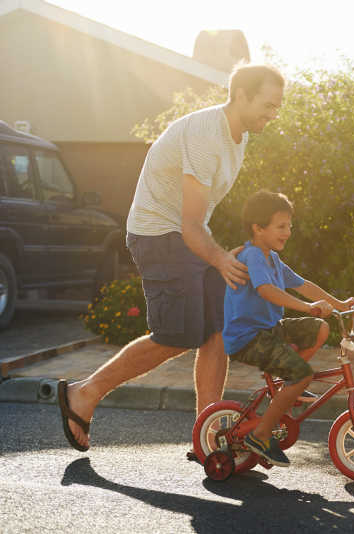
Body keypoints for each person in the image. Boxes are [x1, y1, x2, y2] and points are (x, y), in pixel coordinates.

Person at [57, 64, 285, 452]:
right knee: (177, 335)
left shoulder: (239, 137)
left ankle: (207, 436)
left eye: (278, 107)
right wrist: (217, 258)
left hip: (186, 237)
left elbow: (198, 220)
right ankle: (85, 393)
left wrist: (219, 255)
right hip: (157, 235)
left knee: (217, 327)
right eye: (268, 105)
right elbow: (190, 223)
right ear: (241, 95)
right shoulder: (205, 135)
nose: (273, 114)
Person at [224, 190, 354, 466]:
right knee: (302, 375)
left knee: (320, 329)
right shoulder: (253, 256)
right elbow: (266, 290)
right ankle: (260, 435)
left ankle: (289, 386)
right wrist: (307, 307)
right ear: (258, 228)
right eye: (281, 226)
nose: (288, 232)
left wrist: (340, 304)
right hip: (247, 338)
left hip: (270, 329)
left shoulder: (272, 257)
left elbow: (304, 285)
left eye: (290, 226)